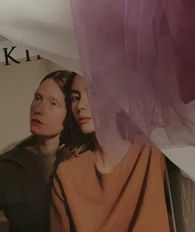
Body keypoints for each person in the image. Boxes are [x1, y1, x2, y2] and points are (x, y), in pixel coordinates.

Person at [50, 73, 171, 232]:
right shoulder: (66, 173)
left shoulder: (152, 152)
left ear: (119, 100)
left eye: (94, 94)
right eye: (74, 98)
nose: (80, 106)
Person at [0, 70, 71, 232]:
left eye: (53, 103)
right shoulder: (9, 165)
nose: (39, 109)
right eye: (38, 98)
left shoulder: (85, 160)